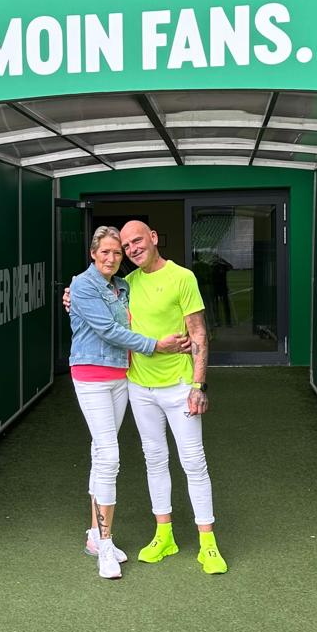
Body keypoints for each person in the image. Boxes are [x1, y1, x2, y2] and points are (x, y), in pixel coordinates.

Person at [65, 221, 226, 574]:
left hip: (178, 385)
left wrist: (199, 385)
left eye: (133, 243)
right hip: (137, 386)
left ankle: (208, 544)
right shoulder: (125, 283)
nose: (129, 250)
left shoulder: (177, 278)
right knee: (150, 460)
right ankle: (162, 536)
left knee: (193, 462)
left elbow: (199, 333)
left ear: (153, 238)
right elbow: (101, 312)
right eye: (123, 247)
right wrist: (73, 296)